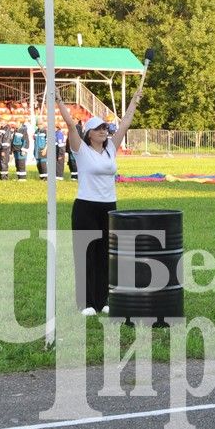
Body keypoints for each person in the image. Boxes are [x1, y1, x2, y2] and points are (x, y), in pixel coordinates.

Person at [58, 86, 143, 316]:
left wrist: (134, 102)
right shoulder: (80, 150)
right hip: (86, 206)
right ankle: (85, 303)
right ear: (89, 133)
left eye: (105, 128)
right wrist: (59, 101)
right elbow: (69, 124)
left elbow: (125, 123)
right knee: (86, 253)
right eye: (99, 128)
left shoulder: (111, 150)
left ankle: (103, 299)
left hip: (109, 207)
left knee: (106, 254)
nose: (104, 131)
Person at [0, 115, 13, 180]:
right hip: (0, 149)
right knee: (0, 163)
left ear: (5, 121)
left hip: (4, 149)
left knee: (4, 163)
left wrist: (3, 150)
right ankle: (1, 177)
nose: (1, 121)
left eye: (2, 120)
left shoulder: (7, 128)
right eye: (1, 120)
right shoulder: (1, 128)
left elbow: (6, 140)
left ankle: (4, 178)